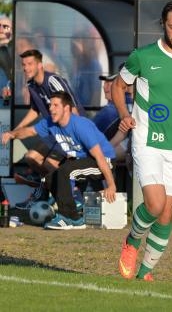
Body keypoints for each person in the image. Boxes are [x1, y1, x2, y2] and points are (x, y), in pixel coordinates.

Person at [112, 0, 172, 282]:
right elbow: (119, 86)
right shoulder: (142, 56)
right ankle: (131, 242)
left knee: (166, 215)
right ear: (164, 25)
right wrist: (124, 114)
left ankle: (145, 273)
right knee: (153, 205)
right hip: (147, 139)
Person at [2, 91, 117, 229]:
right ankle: (72, 212)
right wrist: (12, 134)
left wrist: (111, 185)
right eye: (50, 105)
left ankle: (70, 218)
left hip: (105, 161)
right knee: (51, 178)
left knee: (64, 171)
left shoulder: (80, 125)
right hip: (84, 160)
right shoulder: (51, 123)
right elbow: (30, 131)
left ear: (66, 108)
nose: (51, 108)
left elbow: (99, 156)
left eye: (55, 105)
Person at [5, 49, 84, 209]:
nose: (26, 68)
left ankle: (72, 196)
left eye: (30, 64)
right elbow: (35, 110)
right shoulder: (31, 85)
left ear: (40, 65)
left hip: (69, 131)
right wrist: (16, 131)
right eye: (24, 65)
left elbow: (72, 107)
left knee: (50, 162)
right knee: (31, 157)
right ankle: (47, 192)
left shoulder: (53, 81)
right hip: (53, 132)